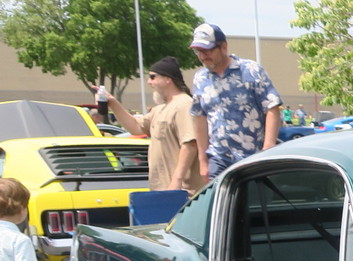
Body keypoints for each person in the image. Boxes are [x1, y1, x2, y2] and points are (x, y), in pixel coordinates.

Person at [188, 23, 283, 179]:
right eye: (199, 51)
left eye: (208, 50)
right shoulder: (200, 78)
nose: (203, 56)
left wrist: (268, 148)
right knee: (220, 202)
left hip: (252, 157)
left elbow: (272, 107)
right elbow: (200, 118)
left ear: (223, 47)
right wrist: (203, 160)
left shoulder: (250, 70)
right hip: (218, 157)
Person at [97, 57, 205, 195]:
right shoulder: (160, 109)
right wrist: (112, 102)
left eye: (153, 77)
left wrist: (176, 180)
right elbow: (135, 127)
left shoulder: (185, 105)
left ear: (168, 79)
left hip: (182, 192)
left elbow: (190, 145)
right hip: (162, 190)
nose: (149, 82)